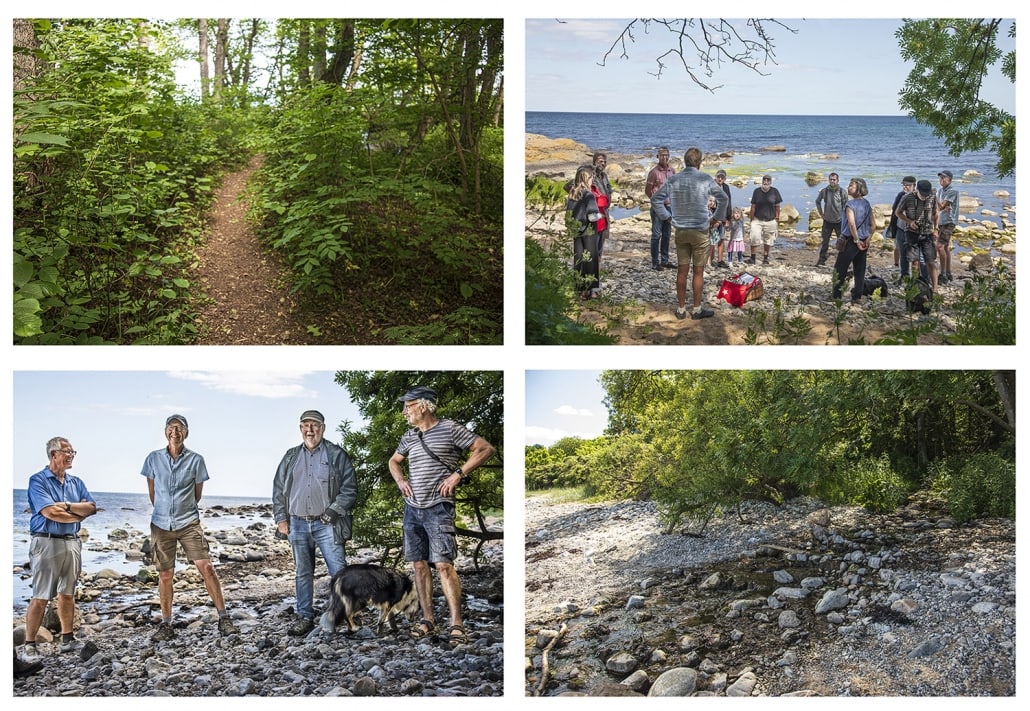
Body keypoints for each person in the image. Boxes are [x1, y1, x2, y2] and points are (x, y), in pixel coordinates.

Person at [389, 386, 495, 647]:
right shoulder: (409, 436)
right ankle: (428, 620)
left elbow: (484, 449)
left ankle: (456, 624)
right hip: (412, 508)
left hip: (439, 507)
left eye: (408, 406)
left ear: (423, 406)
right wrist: (401, 480)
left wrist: (458, 474)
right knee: (419, 565)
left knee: (444, 565)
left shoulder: (450, 429)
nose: (404, 411)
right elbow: (394, 461)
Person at [142, 415, 236, 642]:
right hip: (161, 524)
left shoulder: (196, 460)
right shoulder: (153, 459)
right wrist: (165, 510)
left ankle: (224, 619)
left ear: (186, 433)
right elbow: (153, 492)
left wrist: (181, 510)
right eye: (171, 428)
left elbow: (197, 494)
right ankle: (166, 625)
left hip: (188, 523)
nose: (175, 432)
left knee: (207, 568)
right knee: (165, 574)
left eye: (180, 428)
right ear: (165, 432)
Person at [273, 410, 358, 636]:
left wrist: (333, 511)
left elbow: (349, 490)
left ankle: (345, 616)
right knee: (303, 573)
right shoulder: (290, 457)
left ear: (323, 427)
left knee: (339, 571)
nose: (310, 430)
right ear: (300, 428)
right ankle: (304, 616)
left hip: (327, 524)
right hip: (297, 524)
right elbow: (278, 490)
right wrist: (281, 519)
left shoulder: (336, 455)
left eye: (315, 425)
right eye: (305, 425)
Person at [20, 437, 97, 661]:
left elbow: (91, 508)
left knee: (68, 594)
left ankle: (67, 639)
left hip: (72, 542)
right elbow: (50, 513)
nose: (71, 455)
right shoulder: (38, 480)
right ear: (54, 454)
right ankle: (29, 644)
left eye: (73, 452)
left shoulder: (76, 482)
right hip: (46, 542)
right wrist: (75, 514)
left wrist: (66, 506)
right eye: (67, 451)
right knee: (41, 596)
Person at [652, 147, 728, 320]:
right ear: (699, 163)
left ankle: (680, 309)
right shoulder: (705, 178)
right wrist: (716, 217)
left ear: (685, 161)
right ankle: (696, 309)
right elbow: (723, 198)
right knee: (698, 271)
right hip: (700, 230)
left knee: (682, 270)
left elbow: (655, 199)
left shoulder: (674, 179)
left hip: (681, 230)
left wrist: (668, 217)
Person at [831, 177, 873, 303]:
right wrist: (868, 239)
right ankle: (857, 296)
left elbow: (851, 223)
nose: (848, 187)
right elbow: (873, 224)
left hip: (851, 240)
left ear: (859, 189)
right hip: (864, 240)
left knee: (840, 269)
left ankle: (837, 295)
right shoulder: (867, 204)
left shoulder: (850, 204)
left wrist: (856, 240)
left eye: (851, 186)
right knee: (860, 269)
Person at [565, 166, 604, 299]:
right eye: (591, 177)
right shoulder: (588, 195)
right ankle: (592, 290)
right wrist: (601, 216)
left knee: (579, 258)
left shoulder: (573, 193)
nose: (593, 180)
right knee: (591, 259)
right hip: (589, 230)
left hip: (576, 230)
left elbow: (569, 213)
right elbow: (592, 215)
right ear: (586, 179)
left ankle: (580, 290)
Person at [895, 179, 940, 292]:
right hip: (911, 232)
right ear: (917, 190)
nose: (925, 197)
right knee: (914, 260)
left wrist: (936, 229)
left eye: (926, 194)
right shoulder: (907, 198)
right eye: (923, 195)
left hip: (927, 232)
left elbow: (935, 213)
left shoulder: (932, 197)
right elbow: (898, 212)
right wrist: (909, 222)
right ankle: (915, 286)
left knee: (930, 260)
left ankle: (935, 288)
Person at [645, 147, 677, 270]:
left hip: (669, 206)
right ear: (658, 156)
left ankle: (665, 260)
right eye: (662, 155)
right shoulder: (654, 172)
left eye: (667, 155)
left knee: (667, 234)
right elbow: (648, 189)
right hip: (658, 207)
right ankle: (654, 262)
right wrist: (654, 201)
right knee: (656, 235)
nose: (665, 157)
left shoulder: (672, 171)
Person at [888, 176, 925, 281]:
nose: (905, 187)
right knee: (902, 253)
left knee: (914, 256)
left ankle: (915, 279)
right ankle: (904, 275)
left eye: (908, 185)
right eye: (903, 185)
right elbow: (895, 210)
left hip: (913, 231)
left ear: (914, 186)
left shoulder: (919, 197)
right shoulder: (901, 195)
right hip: (900, 228)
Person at [748, 174, 782, 265]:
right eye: (764, 180)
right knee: (754, 238)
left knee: (768, 240)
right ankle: (752, 258)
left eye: (768, 180)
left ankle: (765, 258)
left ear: (770, 182)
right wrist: (751, 219)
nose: (766, 182)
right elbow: (753, 206)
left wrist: (777, 218)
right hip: (757, 219)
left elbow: (778, 206)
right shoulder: (756, 191)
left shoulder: (775, 191)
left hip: (770, 220)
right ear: (762, 181)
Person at [814, 173, 847, 266]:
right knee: (825, 242)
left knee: (841, 242)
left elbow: (846, 205)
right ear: (828, 180)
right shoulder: (824, 191)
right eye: (831, 179)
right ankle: (821, 260)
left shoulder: (842, 192)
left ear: (838, 181)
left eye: (834, 179)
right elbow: (817, 201)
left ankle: (842, 261)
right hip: (827, 221)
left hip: (839, 221)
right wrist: (821, 213)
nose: (832, 181)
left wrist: (845, 217)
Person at [936, 170, 959, 284]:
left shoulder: (953, 191)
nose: (941, 180)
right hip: (941, 221)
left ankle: (943, 274)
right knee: (945, 248)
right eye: (940, 178)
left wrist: (940, 204)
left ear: (950, 179)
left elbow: (942, 206)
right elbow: (940, 207)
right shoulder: (940, 191)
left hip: (949, 221)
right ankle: (948, 272)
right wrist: (941, 206)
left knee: (940, 246)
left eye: (944, 178)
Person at [712, 169, 733, 268]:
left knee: (721, 238)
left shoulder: (726, 187)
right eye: (718, 177)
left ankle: (720, 260)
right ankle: (710, 260)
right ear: (715, 177)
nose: (720, 179)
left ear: (725, 179)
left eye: (722, 177)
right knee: (712, 240)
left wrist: (729, 218)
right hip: (713, 217)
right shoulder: (711, 187)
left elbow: (729, 203)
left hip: (723, 217)